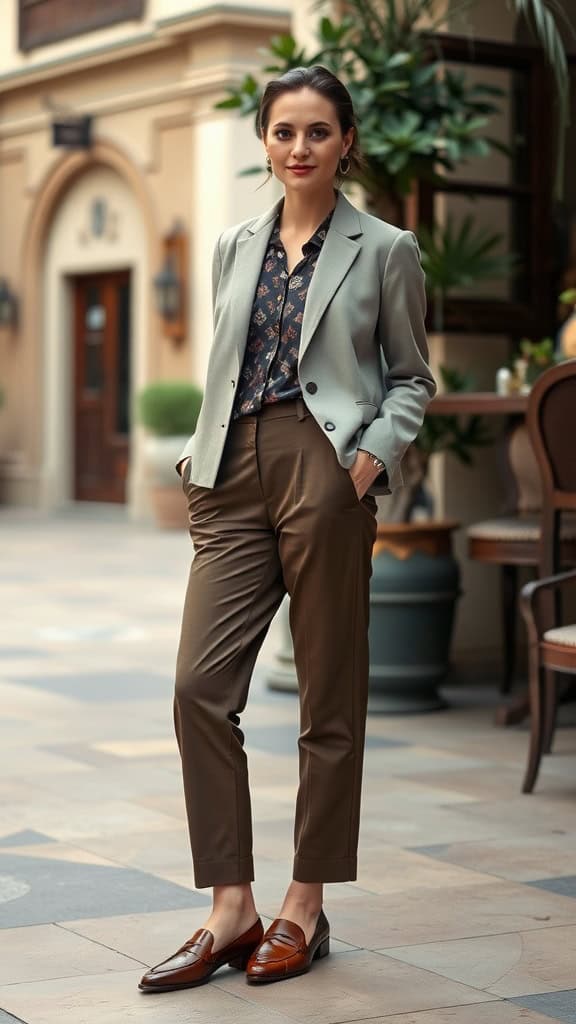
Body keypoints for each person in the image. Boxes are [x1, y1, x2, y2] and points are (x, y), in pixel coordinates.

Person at [139, 64, 435, 993]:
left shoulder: (385, 249)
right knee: (198, 688)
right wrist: (197, 464)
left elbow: (413, 377)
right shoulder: (234, 244)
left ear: (346, 141)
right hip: (231, 476)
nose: (298, 148)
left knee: (327, 699)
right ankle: (231, 907)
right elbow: (226, 362)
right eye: (282, 132)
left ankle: (303, 903)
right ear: (263, 141)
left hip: (326, 464)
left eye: (317, 132)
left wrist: (367, 459)